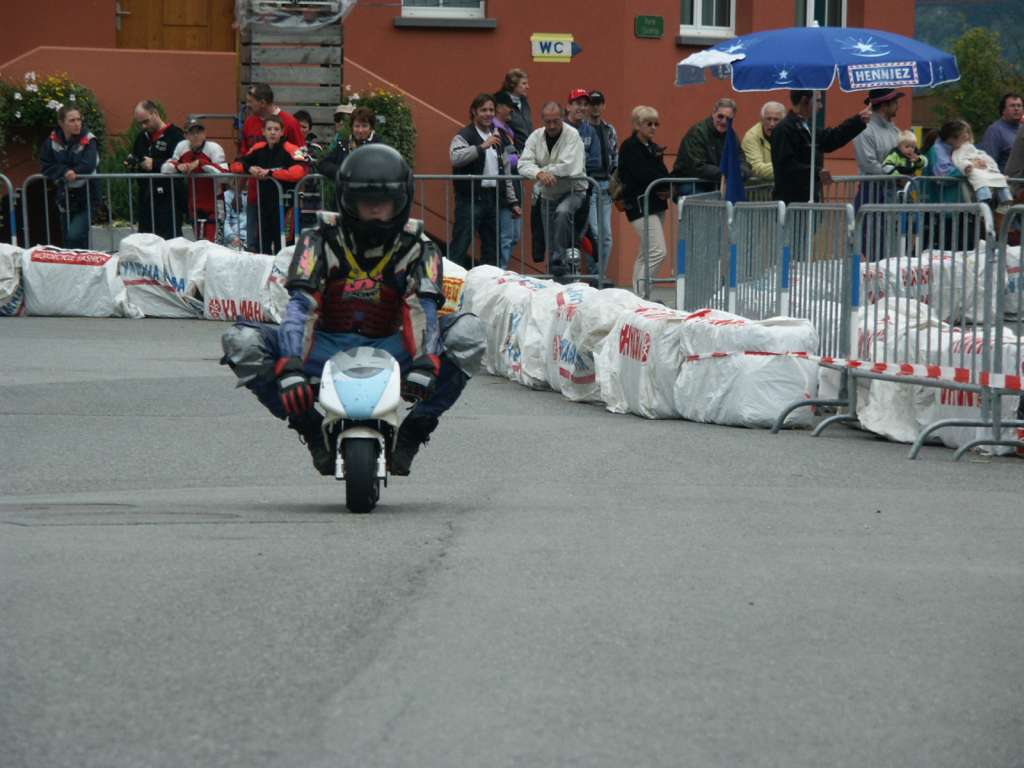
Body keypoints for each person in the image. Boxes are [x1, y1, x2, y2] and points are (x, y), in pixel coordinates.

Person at [219, 144, 472, 477]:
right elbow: (302, 305)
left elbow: (420, 307)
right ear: (347, 200)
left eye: (384, 202)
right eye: (366, 202)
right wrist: (291, 362)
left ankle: (417, 427)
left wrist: (426, 360)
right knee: (241, 341)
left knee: (469, 333)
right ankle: (308, 426)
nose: (376, 211)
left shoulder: (420, 247)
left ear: (401, 200)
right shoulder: (317, 240)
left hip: (391, 347)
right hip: (323, 345)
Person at [518, 101, 586, 281]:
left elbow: (570, 166)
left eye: (555, 121)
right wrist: (539, 173)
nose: (552, 126)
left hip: (573, 190)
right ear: (542, 120)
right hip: (548, 194)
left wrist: (544, 172)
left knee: (562, 213)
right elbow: (523, 164)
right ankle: (555, 278)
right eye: (548, 122)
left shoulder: (572, 135)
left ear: (562, 117)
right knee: (550, 240)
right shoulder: (535, 136)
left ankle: (564, 268)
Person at [448, 93, 513, 268]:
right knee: (460, 244)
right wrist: (482, 146)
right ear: (474, 112)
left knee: (492, 249)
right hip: (470, 199)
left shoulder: (497, 136)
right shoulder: (465, 135)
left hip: (492, 198)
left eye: (491, 110)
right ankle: (449, 281)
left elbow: (505, 169)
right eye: (483, 110)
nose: (488, 114)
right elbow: (455, 157)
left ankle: (487, 282)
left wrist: (512, 200)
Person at [770, 90, 870, 204]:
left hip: (807, 200)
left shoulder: (806, 127)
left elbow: (831, 139)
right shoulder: (784, 129)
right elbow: (786, 166)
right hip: (790, 203)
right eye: (817, 101)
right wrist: (817, 172)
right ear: (804, 100)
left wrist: (858, 121)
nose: (821, 106)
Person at [229, 115, 309, 254]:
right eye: (269, 129)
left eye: (276, 129)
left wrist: (271, 173)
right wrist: (250, 169)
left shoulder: (291, 149)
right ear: (263, 131)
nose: (273, 132)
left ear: (282, 132)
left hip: (286, 206)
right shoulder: (258, 148)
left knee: (284, 246)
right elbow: (236, 165)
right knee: (263, 246)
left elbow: (299, 172)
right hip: (264, 205)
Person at [618, 106, 671, 295]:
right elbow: (643, 174)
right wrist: (662, 183)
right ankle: (642, 294)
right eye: (649, 124)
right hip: (639, 205)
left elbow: (661, 173)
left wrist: (665, 186)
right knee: (658, 251)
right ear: (637, 125)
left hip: (655, 203)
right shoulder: (629, 147)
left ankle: (638, 295)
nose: (653, 127)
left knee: (646, 252)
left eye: (656, 124)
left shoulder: (652, 147)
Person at [40, 104, 99, 249]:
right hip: (65, 196)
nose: (77, 123)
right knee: (69, 239)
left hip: (87, 196)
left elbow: (89, 164)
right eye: (72, 120)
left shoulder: (88, 139)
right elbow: (46, 166)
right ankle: (81, 262)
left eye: (79, 119)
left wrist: (74, 171)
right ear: (61, 123)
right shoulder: (52, 141)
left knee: (74, 235)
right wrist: (65, 171)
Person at [161, 120, 228, 242]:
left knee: (214, 246)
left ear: (205, 133)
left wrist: (200, 163)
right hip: (194, 205)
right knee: (198, 245)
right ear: (186, 135)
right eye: (192, 133)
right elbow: (165, 169)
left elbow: (224, 175)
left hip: (215, 204)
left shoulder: (214, 148)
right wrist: (178, 167)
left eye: (199, 132)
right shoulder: (182, 147)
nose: (196, 136)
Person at [130, 100, 186, 240]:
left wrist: (155, 164)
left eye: (146, 121)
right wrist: (134, 163)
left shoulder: (175, 135)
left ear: (155, 113)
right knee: (145, 242)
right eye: (140, 123)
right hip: (146, 197)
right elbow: (136, 156)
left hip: (169, 198)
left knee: (170, 242)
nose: (144, 126)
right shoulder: (142, 137)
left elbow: (181, 163)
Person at [672, 98, 748, 191]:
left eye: (728, 119)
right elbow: (697, 167)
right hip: (691, 182)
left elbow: (741, 159)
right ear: (713, 114)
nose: (724, 121)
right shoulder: (697, 133)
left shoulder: (732, 136)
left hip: (716, 181)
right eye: (720, 116)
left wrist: (741, 172)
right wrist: (728, 173)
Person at [853, 88, 905, 205]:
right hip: (871, 191)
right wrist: (896, 176)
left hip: (893, 191)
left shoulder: (895, 131)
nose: (898, 106)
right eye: (895, 102)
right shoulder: (864, 130)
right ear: (884, 106)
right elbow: (868, 164)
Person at [587, 89, 618, 279]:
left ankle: (601, 275)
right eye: (592, 104)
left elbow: (615, 156)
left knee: (606, 237)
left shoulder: (609, 129)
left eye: (598, 103)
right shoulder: (583, 130)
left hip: (606, 186)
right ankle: (595, 275)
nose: (595, 107)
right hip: (589, 185)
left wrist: (614, 180)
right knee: (594, 233)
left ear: (603, 106)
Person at [950, 124, 1013, 211]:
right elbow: (959, 160)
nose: (966, 135)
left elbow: (984, 156)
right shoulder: (958, 151)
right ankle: (984, 196)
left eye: (967, 133)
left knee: (998, 177)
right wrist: (968, 165)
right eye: (963, 133)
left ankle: (1005, 197)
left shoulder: (975, 149)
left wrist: (988, 163)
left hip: (984, 168)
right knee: (978, 178)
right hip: (973, 168)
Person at [493, 90, 523, 268]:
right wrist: (519, 159)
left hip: (514, 189)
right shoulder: (495, 131)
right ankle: (500, 273)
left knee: (513, 237)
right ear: (498, 108)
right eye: (508, 106)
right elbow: (503, 162)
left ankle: (502, 271)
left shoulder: (509, 132)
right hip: (504, 194)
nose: (512, 110)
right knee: (505, 238)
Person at [318, 106, 383, 181]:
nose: (360, 130)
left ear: (371, 128)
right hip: (346, 188)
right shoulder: (343, 145)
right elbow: (324, 164)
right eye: (357, 126)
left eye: (364, 126)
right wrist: (341, 172)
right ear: (352, 128)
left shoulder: (379, 147)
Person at [241, 83, 304, 154]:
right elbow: (244, 153)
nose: (247, 105)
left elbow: (301, 153)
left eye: (250, 102)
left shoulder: (290, 123)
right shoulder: (249, 122)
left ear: (262, 103)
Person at [741, 101, 785, 184]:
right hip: (758, 188)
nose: (772, 124)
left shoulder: (788, 134)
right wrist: (787, 168)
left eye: (776, 120)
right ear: (762, 119)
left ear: (783, 121)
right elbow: (756, 168)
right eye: (768, 119)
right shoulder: (751, 136)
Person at [979, 92, 1024, 172]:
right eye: (1012, 106)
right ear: (1003, 110)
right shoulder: (995, 131)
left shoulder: (1022, 129)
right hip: (1009, 178)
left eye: (1019, 106)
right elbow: (989, 163)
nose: (1016, 109)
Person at [496, 68, 533, 153]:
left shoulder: (524, 101)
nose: (528, 87)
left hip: (528, 151)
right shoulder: (502, 103)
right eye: (524, 83)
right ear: (513, 85)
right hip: (513, 153)